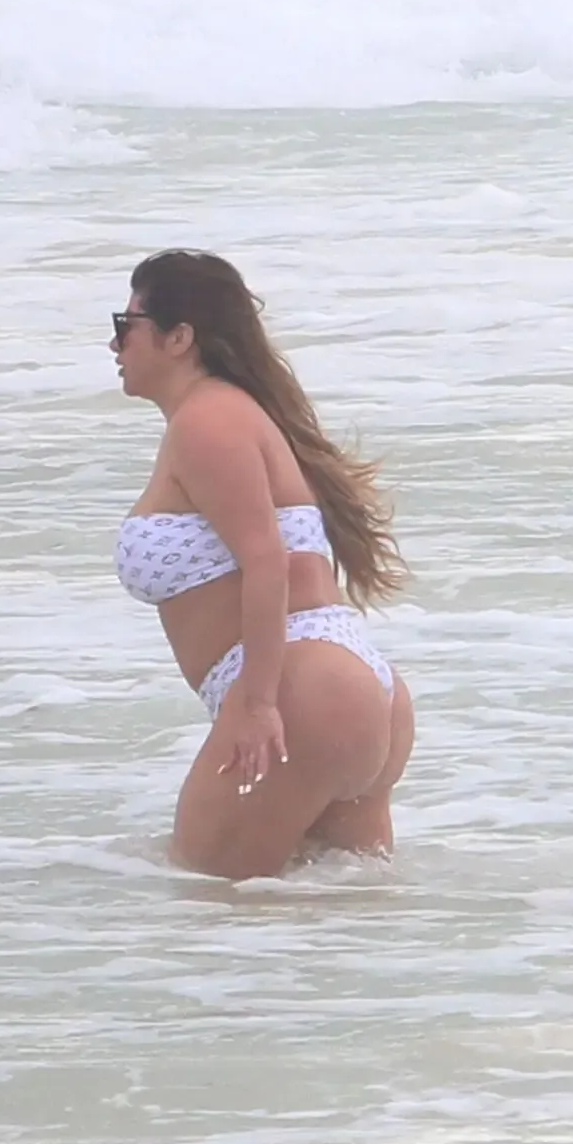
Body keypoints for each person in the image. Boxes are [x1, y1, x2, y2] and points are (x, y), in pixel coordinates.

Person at [109, 249, 415, 881]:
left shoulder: (207, 421)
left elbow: (265, 561)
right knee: (334, 921)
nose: (114, 344)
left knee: (209, 906)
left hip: (300, 692)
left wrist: (256, 705)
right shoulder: (234, 415)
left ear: (179, 337)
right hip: (348, 686)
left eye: (126, 324)